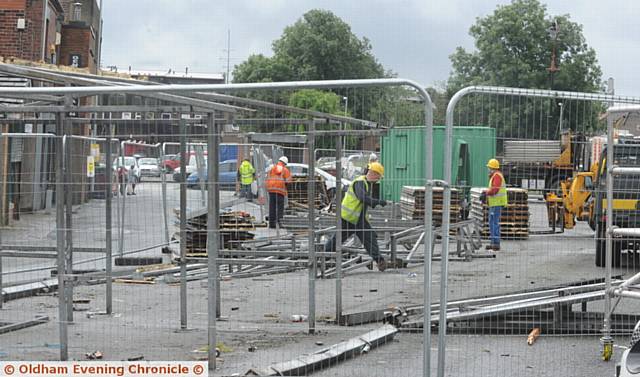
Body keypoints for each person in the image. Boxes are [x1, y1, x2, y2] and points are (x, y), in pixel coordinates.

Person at [324, 162, 388, 271]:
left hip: (358, 219)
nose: (378, 179)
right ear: (374, 173)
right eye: (378, 176)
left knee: (370, 238)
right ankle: (321, 258)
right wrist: (376, 202)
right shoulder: (360, 182)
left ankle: (380, 261)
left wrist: (375, 202)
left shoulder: (366, 183)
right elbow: (362, 197)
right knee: (336, 240)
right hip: (348, 218)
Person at [481, 158, 507, 251]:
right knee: (492, 222)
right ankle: (493, 242)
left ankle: (495, 243)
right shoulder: (495, 175)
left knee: (494, 223)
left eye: (489, 167)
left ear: (492, 168)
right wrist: (486, 192)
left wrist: (486, 193)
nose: (488, 169)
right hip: (494, 203)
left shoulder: (497, 176)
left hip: (496, 203)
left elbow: (495, 190)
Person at [265, 156, 292, 229]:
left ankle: (271, 224)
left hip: (271, 190)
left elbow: (267, 178)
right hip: (280, 191)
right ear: (285, 163)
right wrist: (286, 189)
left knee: (272, 207)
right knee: (280, 207)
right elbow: (288, 181)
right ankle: (279, 223)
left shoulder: (272, 168)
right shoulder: (285, 170)